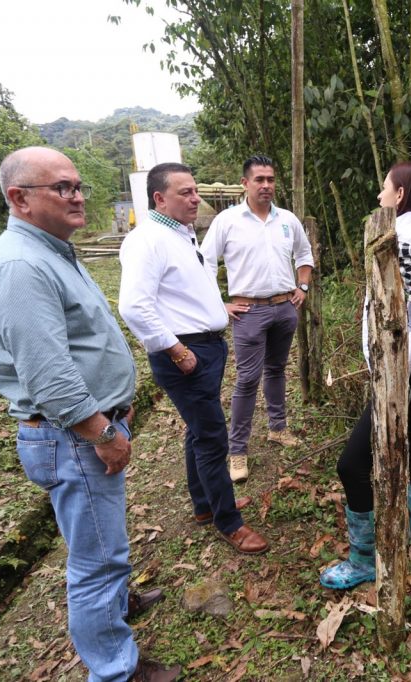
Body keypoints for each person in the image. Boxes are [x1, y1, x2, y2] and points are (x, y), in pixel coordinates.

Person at [0, 147, 180, 681]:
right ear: (19, 198)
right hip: (74, 435)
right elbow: (46, 371)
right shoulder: (20, 265)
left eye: (78, 185)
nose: (78, 196)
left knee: (99, 539)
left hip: (85, 428)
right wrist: (102, 430)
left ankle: (116, 606)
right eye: (62, 187)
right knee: (95, 560)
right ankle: (114, 669)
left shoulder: (53, 251)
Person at [319, 161, 411, 590]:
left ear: (400, 195)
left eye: (385, 188)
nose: (380, 194)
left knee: (351, 464)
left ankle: (364, 559)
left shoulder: (403, 236)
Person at [118, 162, 269, 555]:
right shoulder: (147, 239)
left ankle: (205, 505)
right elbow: (134, 306)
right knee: (212, 435)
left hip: (203, 346)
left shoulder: (181, 236)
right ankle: (228, 521)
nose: (194, 198)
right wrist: (176, 349)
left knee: (199, 431)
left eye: (195, 190)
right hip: (185, 353)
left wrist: (216, 307)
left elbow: (180, 293)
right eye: (184, 192)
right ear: (159, 198)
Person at [199, 155, 314, 483]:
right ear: (245, 184)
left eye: (270, 179)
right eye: (259, 179)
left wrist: (302, 286)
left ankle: (278, 428)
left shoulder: (287, 220)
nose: (266, 185)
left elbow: (305, 256)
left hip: (284, 307)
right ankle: (237, 450)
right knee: (248, 379)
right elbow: (205, 262)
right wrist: (219, 304)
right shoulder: (228, 220)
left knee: (276, 370)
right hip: (248, 311)